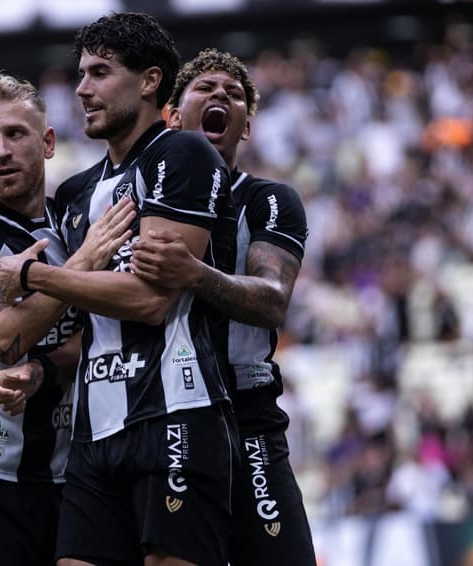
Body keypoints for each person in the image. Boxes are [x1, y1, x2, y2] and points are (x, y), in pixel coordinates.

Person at [0, 12, 239, 566]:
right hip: (95, 427)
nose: (82, 89)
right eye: (81, 74)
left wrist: (35, 275)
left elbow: (151, 301)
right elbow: (84, 316)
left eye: (100, 73)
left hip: (176, 411)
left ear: (150, 81)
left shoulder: (182, 154)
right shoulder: (75, 193)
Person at [0, 72, 133, 565]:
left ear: (48, 142)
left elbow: (99, 336)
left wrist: (42, 368)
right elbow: (6, 339)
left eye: (15, 133)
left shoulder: (75, 224)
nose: (1, 151)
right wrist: (82, 264)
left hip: (65, 478)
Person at [129, 48, 317, 565]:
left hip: (247, 411)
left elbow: (272, 301)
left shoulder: (268, 200)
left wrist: (193, 272)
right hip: (165, 408)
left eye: (234, 94)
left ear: (246, 128)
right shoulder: (137, 197)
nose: (221, 95)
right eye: (206, 88)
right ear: (172, 116)